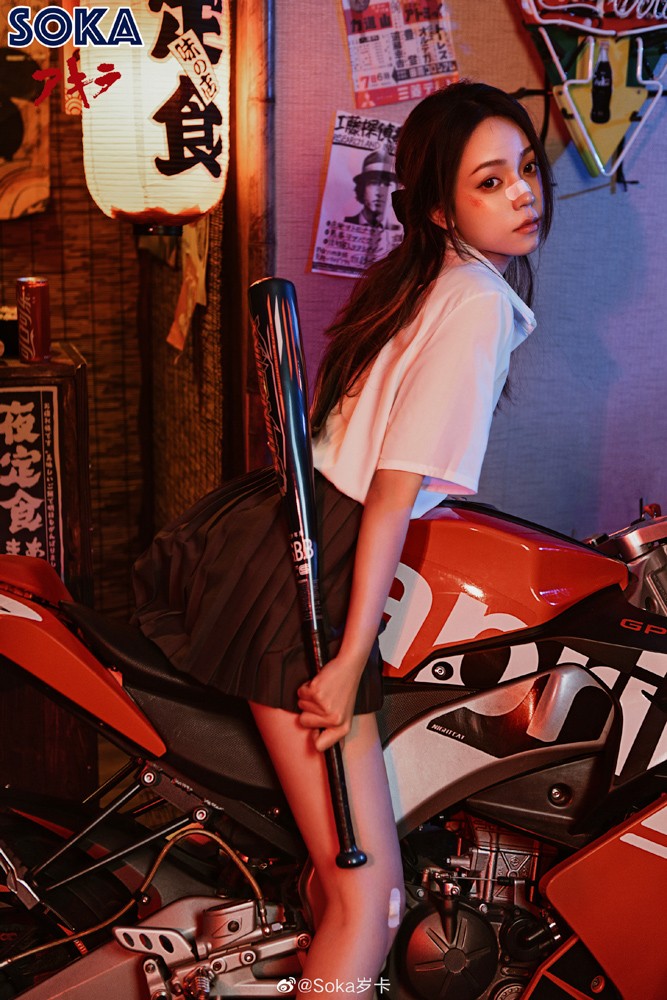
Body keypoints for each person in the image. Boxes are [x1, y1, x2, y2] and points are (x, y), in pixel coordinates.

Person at [132, 81, 553, 996]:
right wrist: (348, 654)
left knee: (338, 881)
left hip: (280, 529)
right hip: (312, 569)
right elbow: (390, 493)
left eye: (525, 168)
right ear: (439, 207)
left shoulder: (423, 281)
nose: (523, 192)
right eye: (490, 180)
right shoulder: (473, 302)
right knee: (370, 899)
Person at [344, 148, 401, 229]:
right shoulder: (344, 223)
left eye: (387, 184)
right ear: (362, 188)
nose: (380, 193)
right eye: (374, 183)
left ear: (396, 189)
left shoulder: (399, 231)